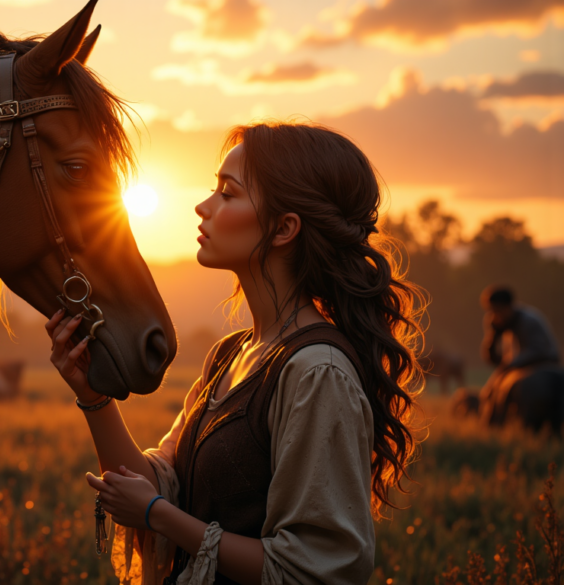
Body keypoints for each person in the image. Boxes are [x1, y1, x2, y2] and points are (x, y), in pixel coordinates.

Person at [45, 122, 425, 585]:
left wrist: (158, 516)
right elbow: (152, 484)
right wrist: (92, 395)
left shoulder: (316, 373)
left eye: (228, 193)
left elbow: (311, 570)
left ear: (284, 228)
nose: (203, 206)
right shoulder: (231, 353)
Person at [479, 286, 561, 425]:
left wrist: (511, 364)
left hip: (543, 363)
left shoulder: (529, 320)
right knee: (490, 390)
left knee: (505, 387)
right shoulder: (503, 324)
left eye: (496, 310)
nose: (494, 315)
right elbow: (492, 360)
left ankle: (496, 425)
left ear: (507, 307)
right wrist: (493, 337)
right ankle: (491, 426)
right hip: (517, 367)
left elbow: (539, 350)